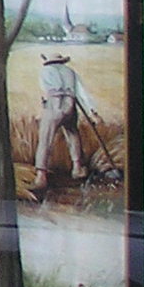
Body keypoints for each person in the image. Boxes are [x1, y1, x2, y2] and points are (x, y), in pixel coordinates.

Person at [35, 53, 112, 194]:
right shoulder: (70, 72)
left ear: (48, 62)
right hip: (70, 107)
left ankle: (41, 175)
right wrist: (93, 113)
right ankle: (77, 168)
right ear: (61, 61)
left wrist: (42, 109)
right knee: (72, 134)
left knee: (45, 140)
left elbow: (45, 93)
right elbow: (82, 94)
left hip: (53, 107)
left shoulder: (45, 71)